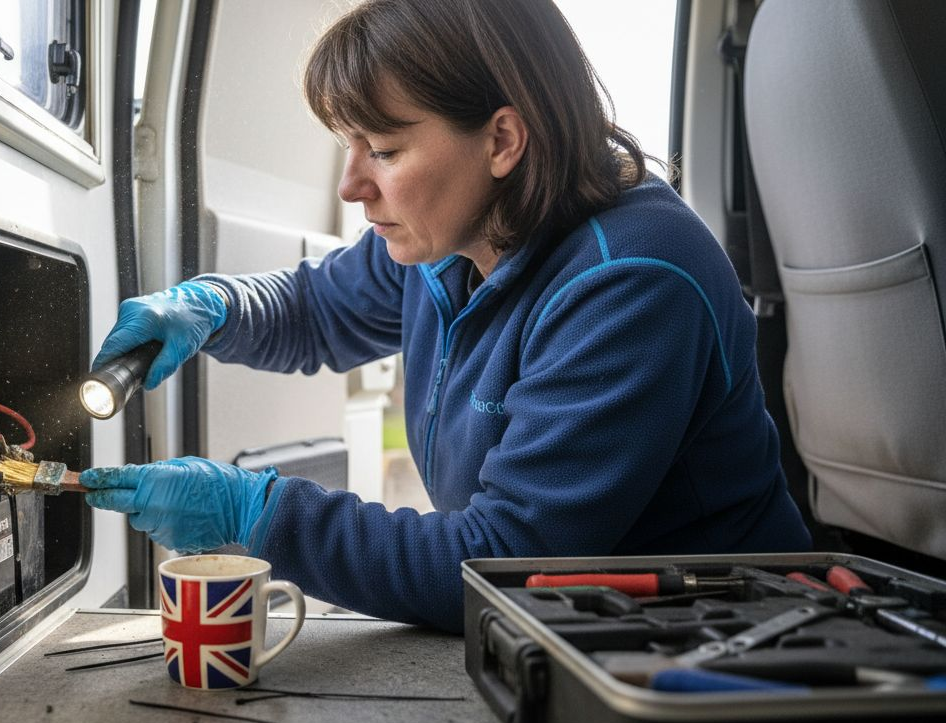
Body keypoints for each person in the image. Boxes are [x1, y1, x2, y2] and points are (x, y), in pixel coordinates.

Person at [80, 0, 812, 633]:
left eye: (386, 149)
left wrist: (257, 516)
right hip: (569, 625)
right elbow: (314, 309)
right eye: (349, 146)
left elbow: (503, 558)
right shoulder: (449, 239)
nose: (351, 187)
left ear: (501, 140)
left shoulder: (633, 278)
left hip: (711, 636)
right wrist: (212, 306)